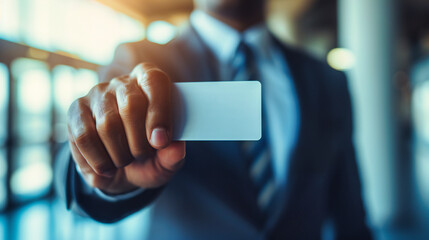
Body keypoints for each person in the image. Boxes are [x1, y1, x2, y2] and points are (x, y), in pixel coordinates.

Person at [56, 0, 373, 239]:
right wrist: (97, 167)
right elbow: (76, 159)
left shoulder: (326, 80)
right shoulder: (139, 61)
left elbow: (349, 207)